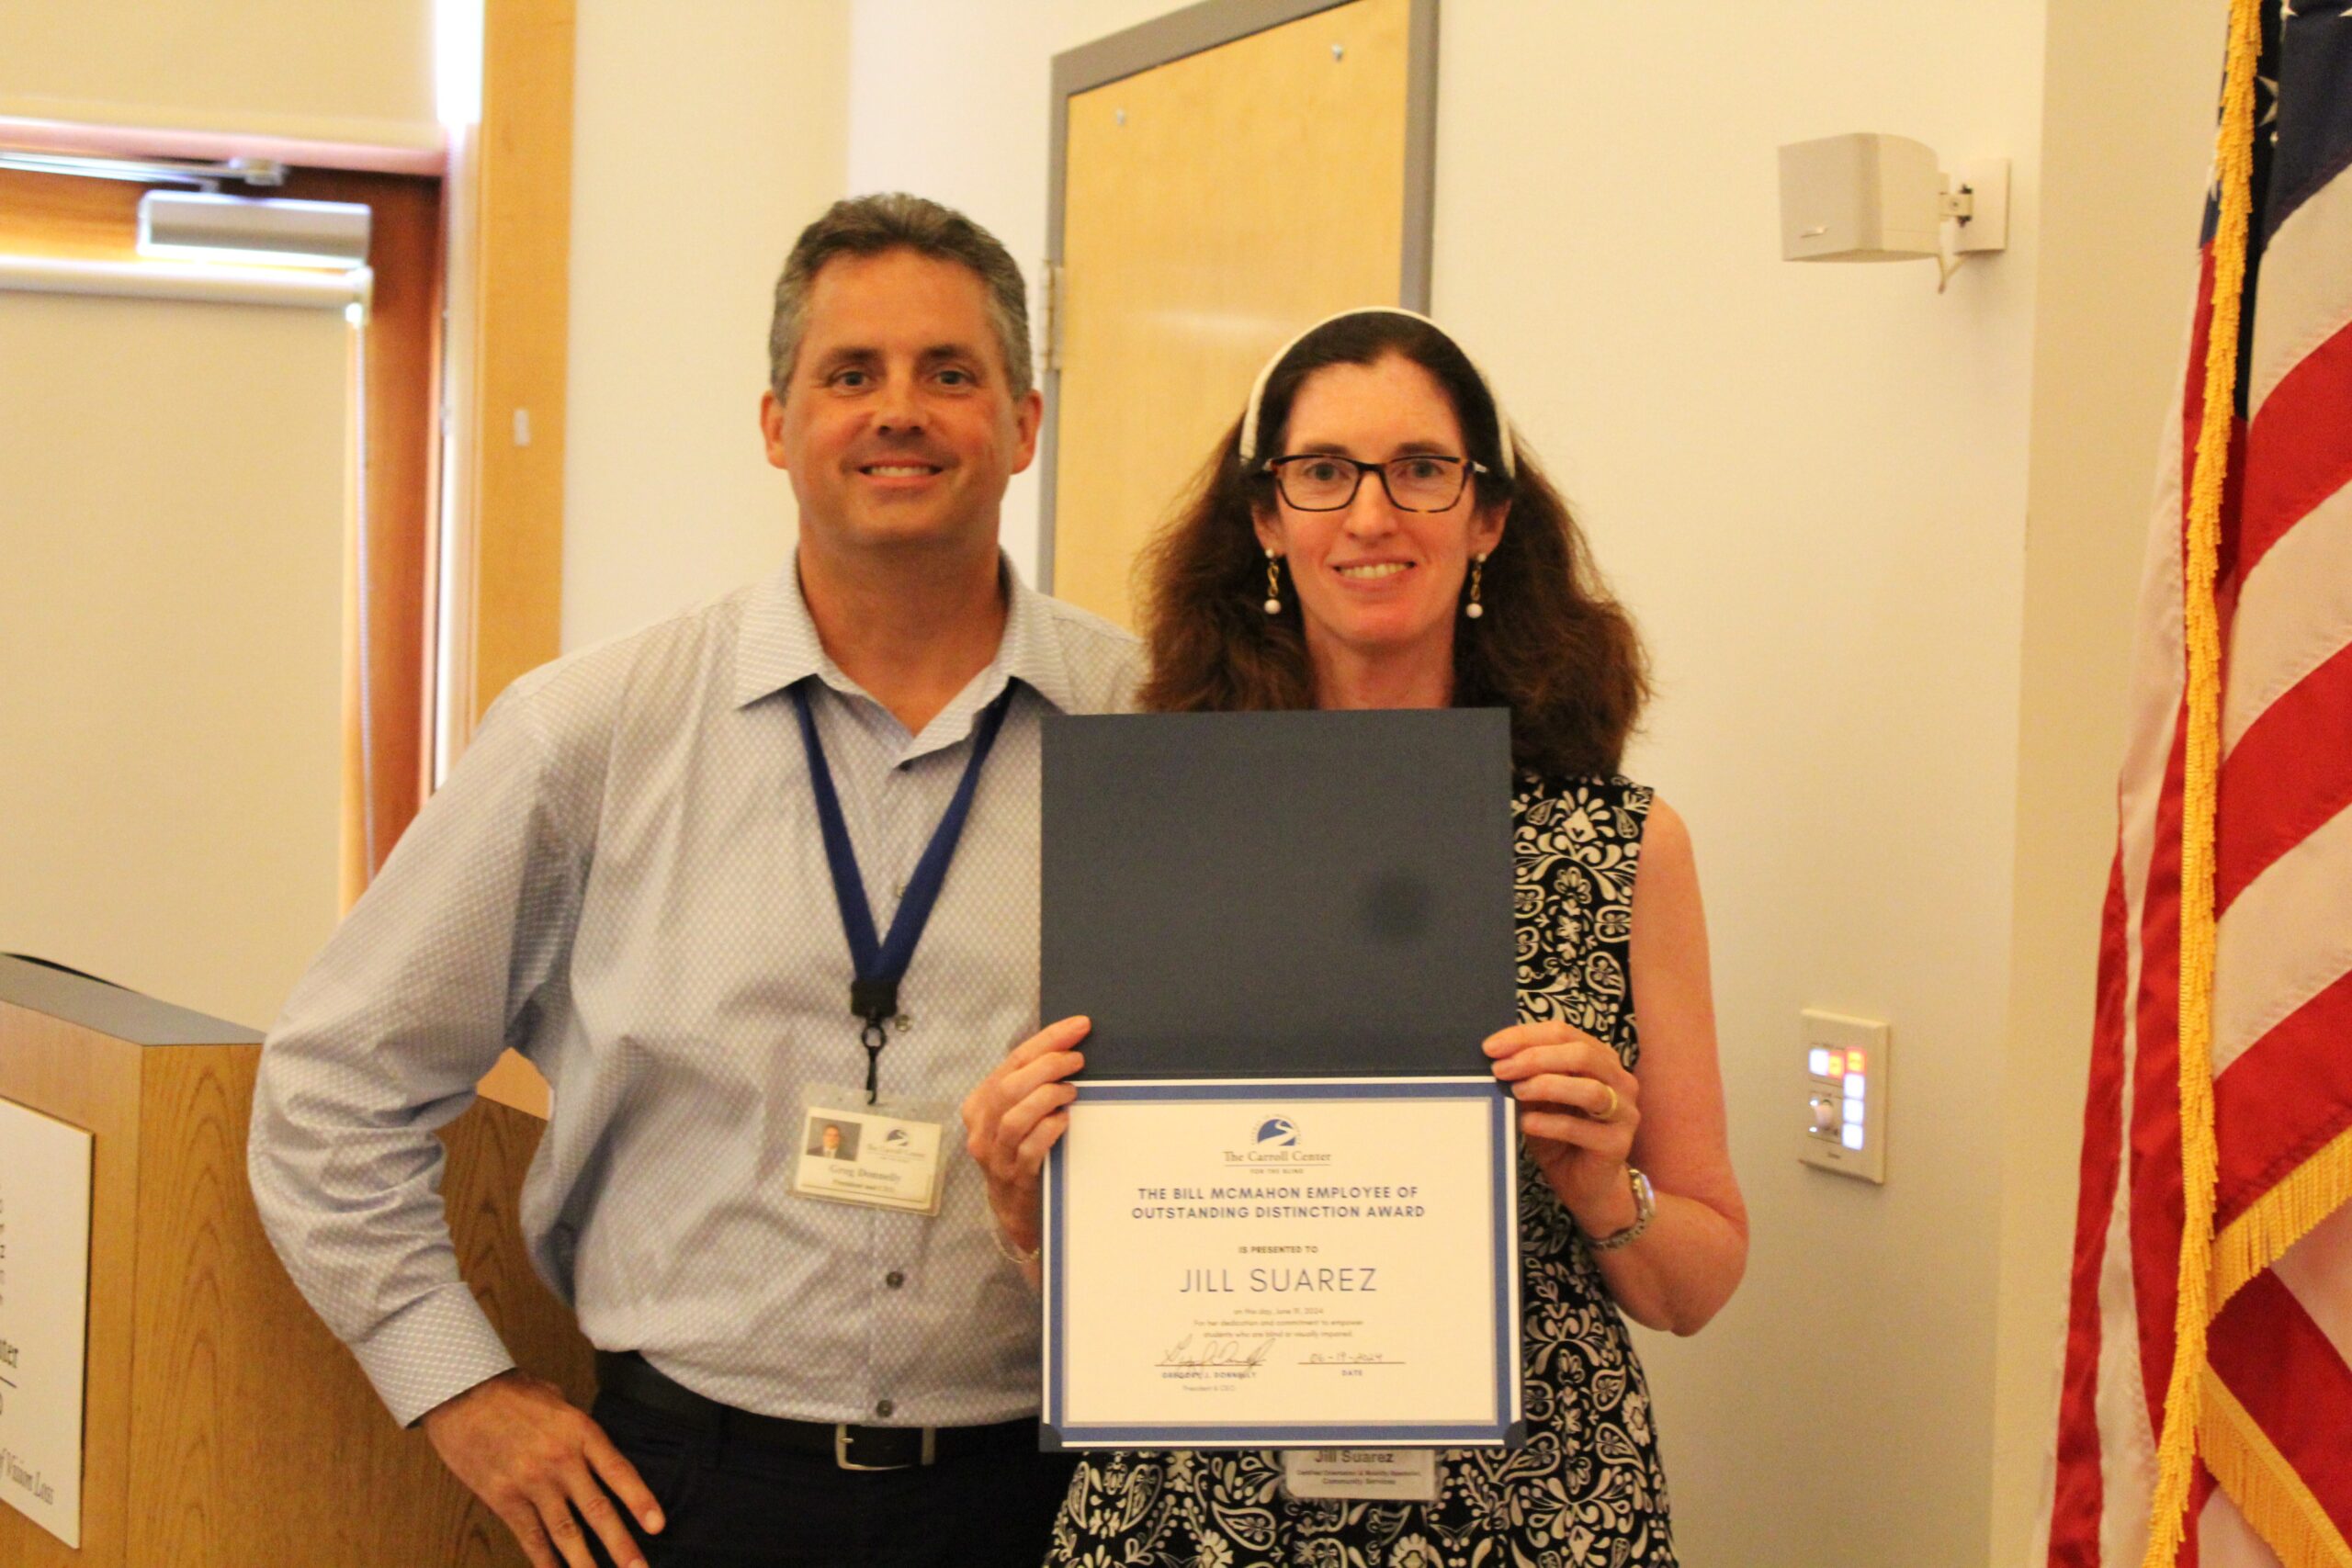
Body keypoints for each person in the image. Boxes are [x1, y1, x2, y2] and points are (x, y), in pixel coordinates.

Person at [249, 194, 1137, 1568]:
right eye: (851, 375)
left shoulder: (1156, 729)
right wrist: (461, 1394)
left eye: (948, 374)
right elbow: (332, 1089)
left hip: (1048, 1499)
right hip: (690, 1495)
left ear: (1023, 422)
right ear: (779, 424)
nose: (899, 410)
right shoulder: (589, 734)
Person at [963, 308, 1747, 1566]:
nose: (1372, 516)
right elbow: (1116, 1285)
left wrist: (1606, 1185)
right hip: (1195, 1522)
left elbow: (1695, 1283)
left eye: (1421, 471)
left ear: (1487, 515)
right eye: (1323, 473)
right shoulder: (1154, 829)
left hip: (1528, 1517)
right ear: (1267, 518)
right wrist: (1020, 1197)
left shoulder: (1620, 849)